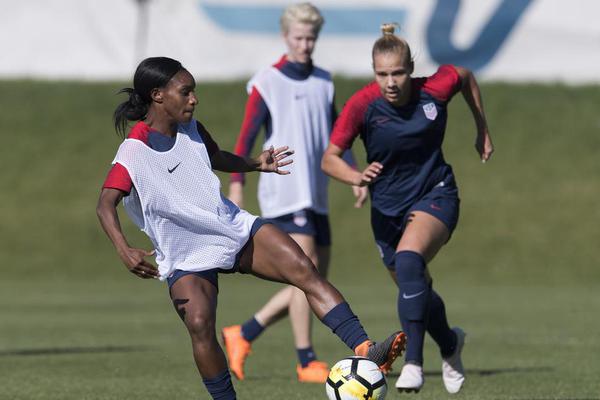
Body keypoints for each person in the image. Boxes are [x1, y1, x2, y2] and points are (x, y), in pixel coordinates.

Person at [96, 56, 405, 400]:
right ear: (157, 95)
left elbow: (216, 157)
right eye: (185, 92)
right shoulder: (134, 150)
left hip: (231, 228)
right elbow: (105, 203)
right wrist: (124, 249)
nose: (194, 99)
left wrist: (257, 163)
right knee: (199, 325)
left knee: (303, 268)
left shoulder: (192, 129)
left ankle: (366, 349)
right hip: (185, 253)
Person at [321, 24, 494, 394]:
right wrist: (356, 176)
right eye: (382, 74)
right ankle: (450, 343)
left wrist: (481, 127)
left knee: (409, 260)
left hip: (436, 193)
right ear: (374, 72)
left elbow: (464, 76)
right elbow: (329, 159)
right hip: (387, 210)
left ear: (411, 69)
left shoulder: (435, 88)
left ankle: (413, 363)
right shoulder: (362, 104)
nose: (390, 82)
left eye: (398, 73)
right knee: (416, 287)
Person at [223, 2, 368, 384]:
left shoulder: (323, 81)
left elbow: (339, 135)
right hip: (284, 188)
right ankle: (306, 360)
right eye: (299, 38)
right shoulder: (267, 81)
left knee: (313, 280)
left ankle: (244, 333)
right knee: (308, 274)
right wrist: (237, 184)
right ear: (285, 36)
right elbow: (246, 137)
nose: (305, 45)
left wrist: (354, 175)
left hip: (316, 190)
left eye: (311, 38)